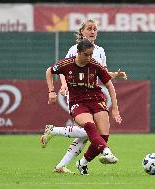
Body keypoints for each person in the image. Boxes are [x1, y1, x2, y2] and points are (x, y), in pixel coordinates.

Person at [40, 19, 127, 174]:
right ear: (82, 31)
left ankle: (63, 160)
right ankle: (104, 152)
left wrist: (116, 75)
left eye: (95, 29)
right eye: (89, 28)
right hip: (76, 95)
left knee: (92, 134)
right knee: (89, 129)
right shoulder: (74, 50)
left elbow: (102, 74)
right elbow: (64, 69)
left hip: (94, 94)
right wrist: (62, 85)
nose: (93, 31)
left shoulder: (99, 51)